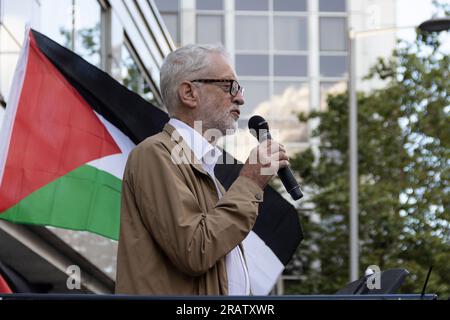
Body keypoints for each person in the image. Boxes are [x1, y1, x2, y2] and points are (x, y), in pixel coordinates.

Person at [115, 44, 289, 295]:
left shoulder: (208, 175)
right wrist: (250, 181)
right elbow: (195, 250)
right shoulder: (155, 154)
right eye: (230, 85)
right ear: (189, 93)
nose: (240, 98)